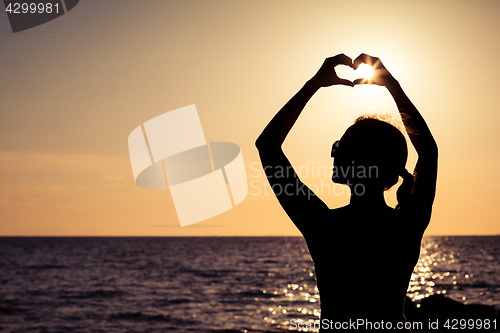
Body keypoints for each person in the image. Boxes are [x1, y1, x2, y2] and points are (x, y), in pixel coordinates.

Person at [255, 54, 438, 331]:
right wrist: (393, 86)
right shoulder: (407, 224)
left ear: (357, 162)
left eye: (342, 146)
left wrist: (313, 84)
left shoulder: (323, 225)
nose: (335, 151)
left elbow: (267, 145)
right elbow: (429, 152)